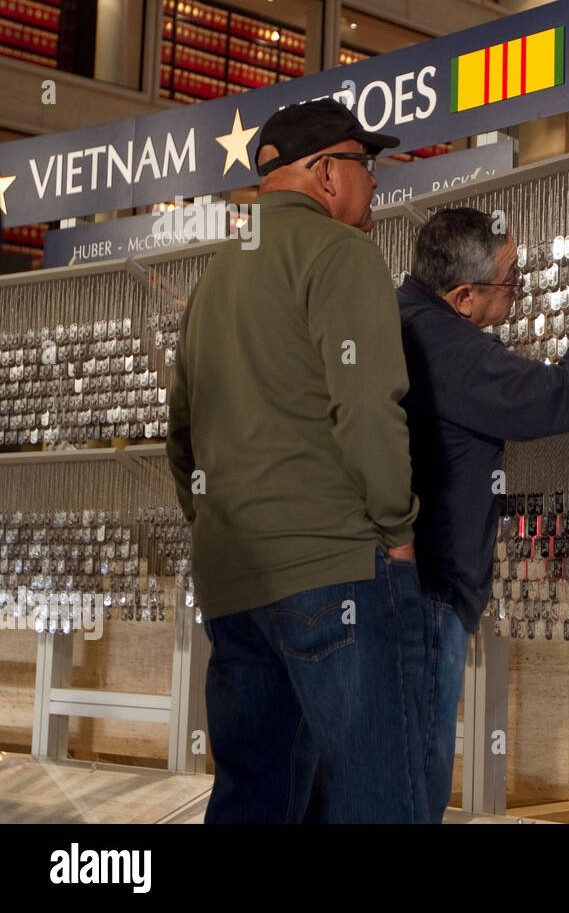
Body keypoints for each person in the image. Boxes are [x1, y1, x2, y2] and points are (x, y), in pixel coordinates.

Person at [166, 98, 428, 823]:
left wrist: (222, 527)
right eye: (364, 165)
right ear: (323, 174)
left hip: (232, 581)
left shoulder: (215, 278)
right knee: (379, 794)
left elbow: (181, 435)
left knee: (254, 797)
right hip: (333, 568)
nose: (374, 183)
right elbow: (369, 406)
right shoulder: (342, 254)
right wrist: (397, 531)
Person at [397, 207, 569, 821]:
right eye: (509, 281)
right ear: (461, 297)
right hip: (429, 592)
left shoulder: (401, 321)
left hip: (407, 585)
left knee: (400, 762)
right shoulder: (451, 353)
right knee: (416, 774)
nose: (519, 289)